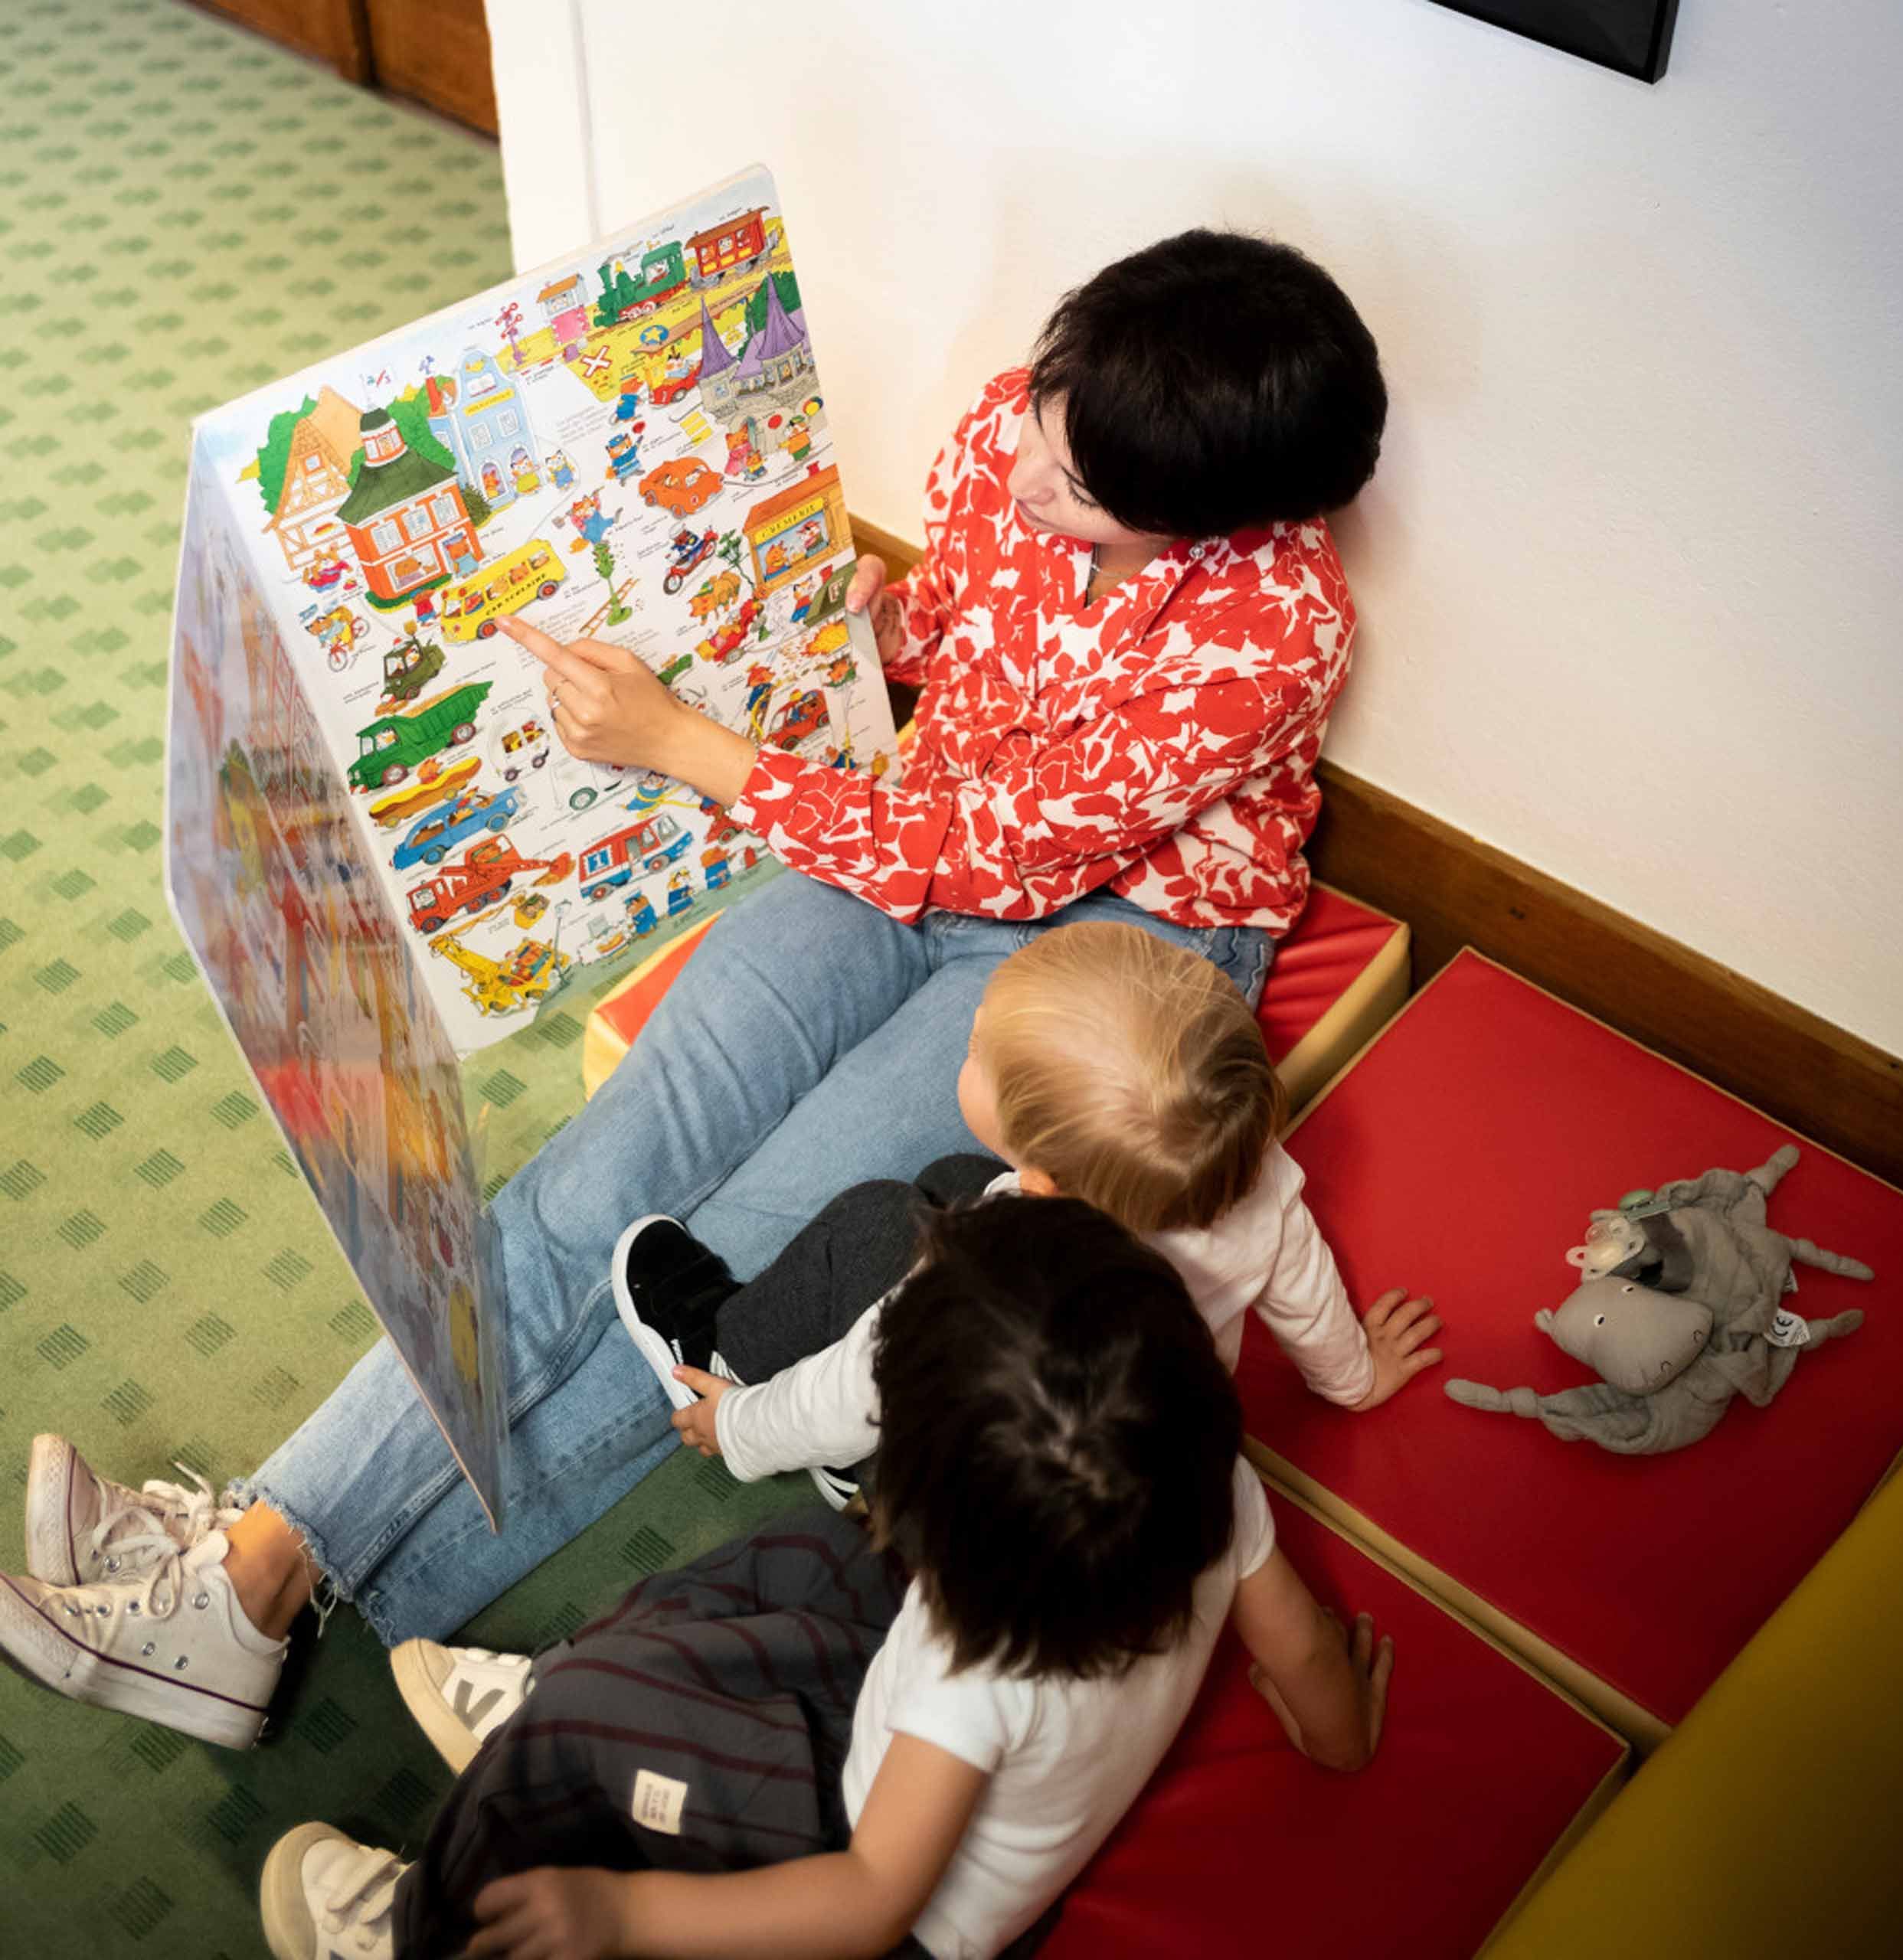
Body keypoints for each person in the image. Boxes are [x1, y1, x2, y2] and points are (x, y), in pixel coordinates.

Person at [1, 228, 1388, 1746]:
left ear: (1210, 520)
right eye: (1047, 417)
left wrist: (688, 746)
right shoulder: (1025, 418)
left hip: (1110, 950)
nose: (1031, 465)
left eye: (1083, 481)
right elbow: (971, 639)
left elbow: (990, 852)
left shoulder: (1279, 628)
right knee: (594, 1175)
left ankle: (261, 1585)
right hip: (914, 830)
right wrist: (866, 631)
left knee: (715, 1270)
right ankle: (257, 1559)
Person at [259, 1200, 1395, 1960]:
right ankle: (597, 1699)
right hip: (926, 1699)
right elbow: (1298, 1649)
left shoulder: (972, 1681)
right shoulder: (1201, 1485)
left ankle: (419, 1927)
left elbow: (869, 1901)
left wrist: (626, 1912)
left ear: (940, 1510)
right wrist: (1338, 1735)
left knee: (574, 1728)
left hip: (857, 1868)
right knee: (794, 1559)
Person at [609, 922, 1440, 1511]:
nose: (968, 1033)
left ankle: (733, 1350)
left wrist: (743, 1431)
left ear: (1041, 1184)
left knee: (870, 1215)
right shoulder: (1253, 1177)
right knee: (953, 1176)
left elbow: (858, 1388)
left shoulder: (991, 1253)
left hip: (948, 1472)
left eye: (977, 1050)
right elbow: (1307, 1293)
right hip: (1086, 1440)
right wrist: (1354, 1379)